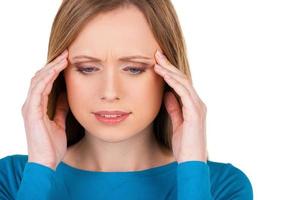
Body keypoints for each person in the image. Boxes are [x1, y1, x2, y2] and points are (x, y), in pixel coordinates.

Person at [0, 0, 253, 199]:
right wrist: (40, 168)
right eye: (87, 68)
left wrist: (192, 170)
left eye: (134, 69)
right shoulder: (12, 179)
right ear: (58, 75)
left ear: (170, 75)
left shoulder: (222, 186)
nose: (110, 92)